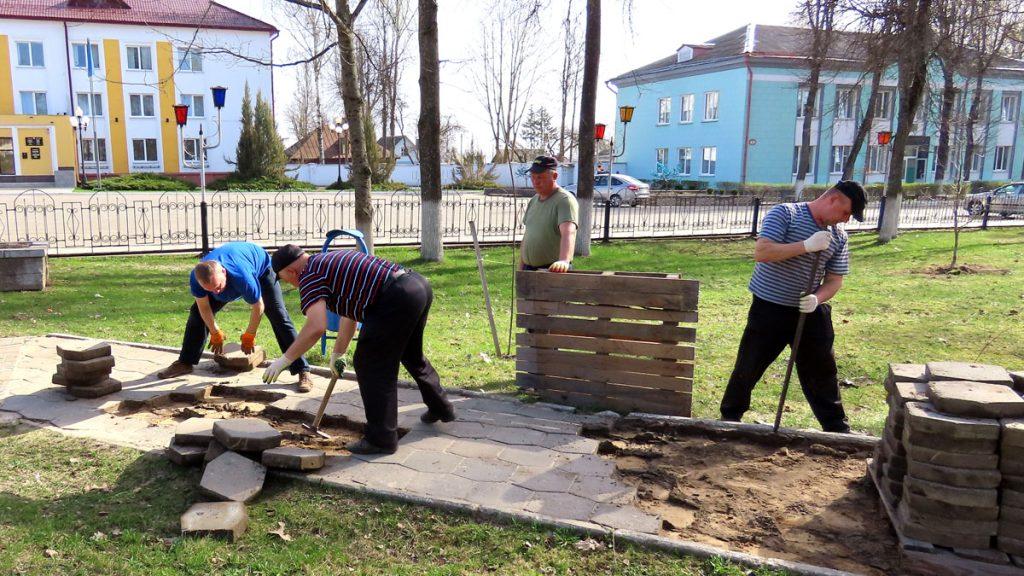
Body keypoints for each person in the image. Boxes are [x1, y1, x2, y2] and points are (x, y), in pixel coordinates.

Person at [265, 245, 454, 455]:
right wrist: (339, 353)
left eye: (284, 279)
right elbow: (351, 312)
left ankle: (381, 439)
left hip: (393, 298)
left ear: (291, 271)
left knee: (371, 366)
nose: (290, 284)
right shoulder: (328, 261)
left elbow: (316, 326)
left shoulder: (309, 275)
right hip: (416, 286)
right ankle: (441, 406)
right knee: (410, 354)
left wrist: (285, 359)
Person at [719, 180, 867, 433]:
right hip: (769, 308)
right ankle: (730, 417)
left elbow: (834, 280)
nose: (846, 220)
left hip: (808, 311)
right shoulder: (785, 213)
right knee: (749, 364)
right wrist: (806, 246)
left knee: (822, 370)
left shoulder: (839, 237)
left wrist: (817, 299)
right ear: (833, 200)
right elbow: (763, 252)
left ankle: (836, 428)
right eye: (846, 213)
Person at [158, 241, 313, 391]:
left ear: (224, 273)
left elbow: (258, 306)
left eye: (218, 287)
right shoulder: (197, 278)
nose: (216, 293)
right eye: (210, 290)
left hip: (261, 270)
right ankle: (185, 362)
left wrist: (250, 335)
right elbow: (204, 307)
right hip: (231, 270)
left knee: (279, 316)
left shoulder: (242, 276)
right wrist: (214, 331)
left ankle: (302, 369)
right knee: (196, 315)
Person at [520, 155, 579, 273]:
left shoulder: (564, 200)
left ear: (555, 176)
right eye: (532, 177)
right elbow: (528, 235)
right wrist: (521, 268)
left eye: (540, 177)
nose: (535, 182)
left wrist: (564, 261)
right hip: (528, 270)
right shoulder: (534, 200)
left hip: (552, 271)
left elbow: (568, 233)